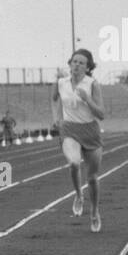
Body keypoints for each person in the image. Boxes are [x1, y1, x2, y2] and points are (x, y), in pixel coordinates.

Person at [50, 48, 106, 233]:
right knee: (74, 163)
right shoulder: (61, 82)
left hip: (90, 131)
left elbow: (101, 114)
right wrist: (56, 117)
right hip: (69, 129)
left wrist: (87, 99)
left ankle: (94, 212)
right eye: (74, 61)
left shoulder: (92, 84)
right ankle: (79, 195)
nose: (77, 65)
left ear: (88, 67)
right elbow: (54, 99)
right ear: (70, 64)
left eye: (81, 63)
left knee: (92, 178)